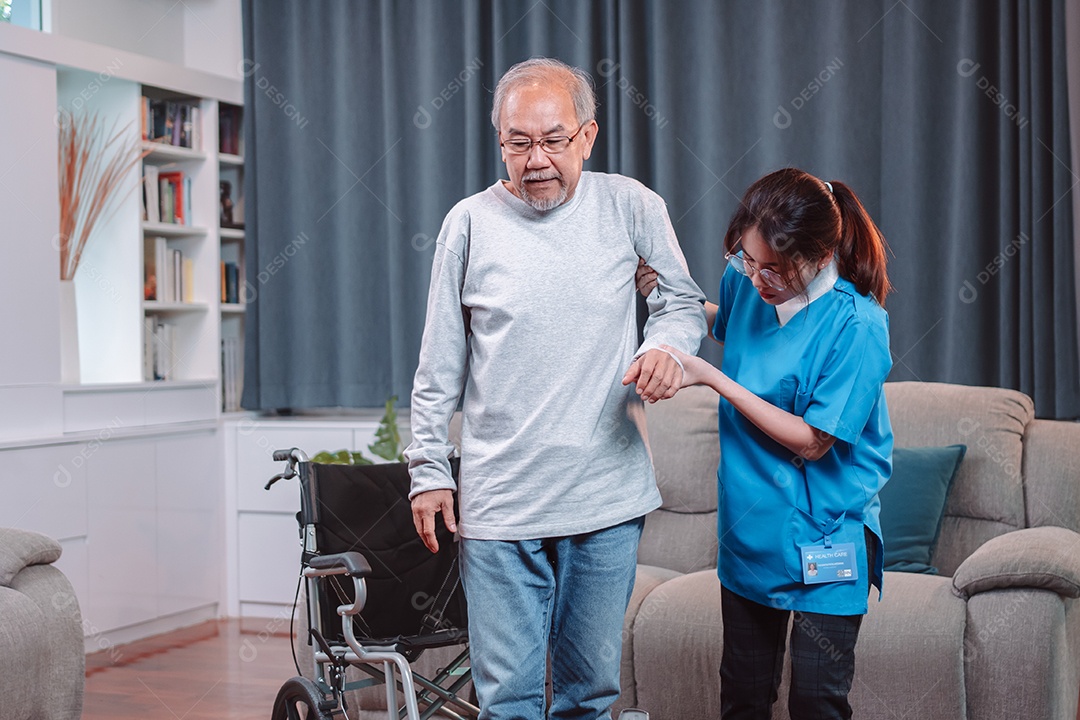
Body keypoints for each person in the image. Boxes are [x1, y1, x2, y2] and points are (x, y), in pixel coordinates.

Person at [405, 57, 707, 720]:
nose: (536, 159)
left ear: (588, 136)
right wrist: (427, 468)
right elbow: (439, 363)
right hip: (501, 506)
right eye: (518, 142)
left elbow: (683, 302)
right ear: (499, 141)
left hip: (605, 499)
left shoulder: (631, 206)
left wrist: (663, 347)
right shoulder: (468, 224)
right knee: (508, 701)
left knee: (588, 698)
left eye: (553, 139)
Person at [638, 168, 893, 720]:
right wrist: (665, 293)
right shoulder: (747, 281)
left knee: (816, 704)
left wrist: (711, 378)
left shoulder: (859, 325)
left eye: (774, 268)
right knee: (743, 700)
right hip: (750, 532)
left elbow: (815, 442)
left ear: (821, 255)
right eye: (747, 260)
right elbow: (730, 324)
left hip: (825, 535)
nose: (757, 279)